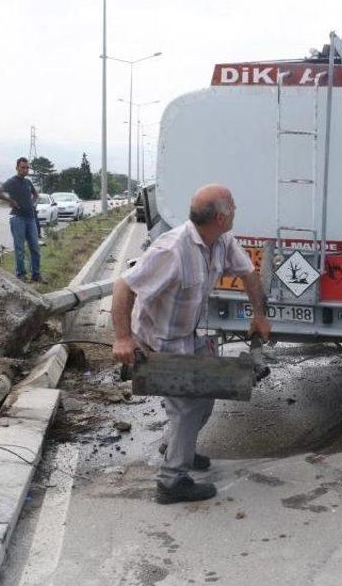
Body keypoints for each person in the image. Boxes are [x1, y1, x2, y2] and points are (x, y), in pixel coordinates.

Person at [111, 184, 271, 504]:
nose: (237, 211)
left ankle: (174, 446)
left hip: (187, 336)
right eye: (234, 208)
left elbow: (249, 275)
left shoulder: (222, 241)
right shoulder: (172, 250)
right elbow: (124, 287)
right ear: (222, 217)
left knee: (210, 391)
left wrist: (259, 316)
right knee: (188, 406)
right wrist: (123, 338)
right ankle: (172, 481)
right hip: (158, 340)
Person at [0, 157, 43, 283]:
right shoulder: (11, 182)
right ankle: (21, 276)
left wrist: (31, 203)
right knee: (19, 249)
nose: (25, 169)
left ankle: (36, 275)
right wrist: (10, 200)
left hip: (30, 218)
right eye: (22, 167)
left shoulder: (28, 182)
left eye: (27, 167)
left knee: (35, 247)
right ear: (17, 168)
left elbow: (36, 195)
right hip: (18, 218)